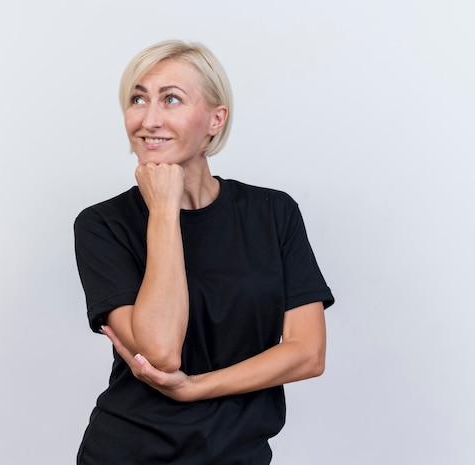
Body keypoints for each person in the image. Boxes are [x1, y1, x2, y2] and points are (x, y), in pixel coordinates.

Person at [73, 39, 334, 465]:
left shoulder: (273, 212)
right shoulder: (102, 225)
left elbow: (308, 353)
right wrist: (162, 210)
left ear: (216, 119)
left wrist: (193, 387)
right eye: (138, 99)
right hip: (129, 452)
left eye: (171, 99)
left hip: (240, 453)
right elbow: (160, 352)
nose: (148, 118)